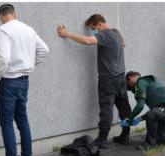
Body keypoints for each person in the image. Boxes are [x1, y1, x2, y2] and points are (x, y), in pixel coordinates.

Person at [0, 4, 50, 156]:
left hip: (8, 81)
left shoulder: (4, 29)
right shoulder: (28, 29)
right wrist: (30, 65)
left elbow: (4, 57)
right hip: (24, 81)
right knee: (22, 120)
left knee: (7, 122)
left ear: (1, 16)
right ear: (14, 14)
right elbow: (45, 50)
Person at [57, 14, 132, 148]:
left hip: (108, 79)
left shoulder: (104, 34)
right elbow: (123, 44)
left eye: (93, 28)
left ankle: (102, 139)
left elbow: (87, 41)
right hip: (121, 76)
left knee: (106, 109)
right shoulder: (116, 32)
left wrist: (67, 34)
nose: (94, 32)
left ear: (99, 24)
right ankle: (125, 135)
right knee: (124, 107)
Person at [124, 71, 165, 150]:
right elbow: (156, 110)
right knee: (161, 138)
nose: (129, 88)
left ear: (130, 79)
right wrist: (140, 119)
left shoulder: (139, 83)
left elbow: (140, 106)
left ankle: (150, 144)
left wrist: (129, 118)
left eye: (127, 84)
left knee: (152, 114)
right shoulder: (148, 81)